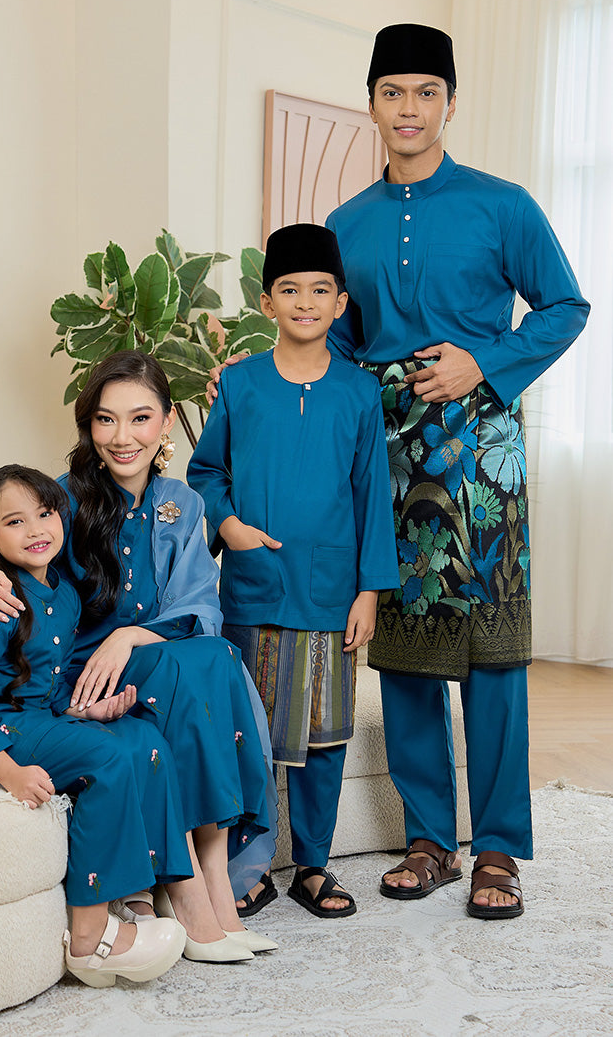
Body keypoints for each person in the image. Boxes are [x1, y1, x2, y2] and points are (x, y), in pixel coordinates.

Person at [324, 23, 589, 918]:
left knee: (494, 654)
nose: (409, 108)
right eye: (392, 91)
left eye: (425, 92)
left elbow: (565, 304)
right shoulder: (345, 225)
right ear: (372, 102)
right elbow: (342, 342)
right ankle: (432, 840)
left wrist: (485, 363)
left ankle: (501, 849)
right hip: (392, 451)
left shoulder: (500, 203)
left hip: (484, 454)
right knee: (402, 651)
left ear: (448, 103)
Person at [0, 353, 277, 958]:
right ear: (89, 426)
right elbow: (9, 563)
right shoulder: (65, 500)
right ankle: (194, 899)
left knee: (208, 656)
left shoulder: (184, 503)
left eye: (140, 418)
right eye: (106, 420)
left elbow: (200, 607)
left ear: (167, 422)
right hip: (76, 676)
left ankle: (210, 883)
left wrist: (128, 635)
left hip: (151, 660)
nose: (122, 437)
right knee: (196, 664)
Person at [188, 223, 399, 918]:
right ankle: (249, 867)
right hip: (253, 589)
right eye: (289, 290)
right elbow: (206, 469)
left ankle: (313, 865)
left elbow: (372, 498)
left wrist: (369, 589)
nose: (304, 302)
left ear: (340, 303)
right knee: (252, 732)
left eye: (319, 290)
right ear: (267, 299)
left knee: (325, 734)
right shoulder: (241, 385)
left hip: (333, 594)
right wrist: (229, 527)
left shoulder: (358, 394)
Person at [0, 464, 188, 987]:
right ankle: (89, 939)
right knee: (105, 758)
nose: (36, 529)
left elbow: (45, 680)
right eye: (15, 522)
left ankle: (137, 892)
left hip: (25, 714)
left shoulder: (63, 591)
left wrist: (82, 713)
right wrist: (9, 773)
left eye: (45, 514)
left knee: (143, 738)